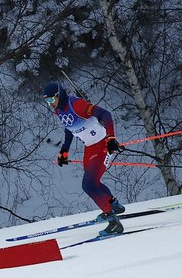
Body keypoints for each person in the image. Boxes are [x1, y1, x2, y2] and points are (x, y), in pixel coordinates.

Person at [43, 81, 126, 236]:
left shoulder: (77, 104)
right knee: (93, 183)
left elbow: (105, 115)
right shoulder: (59, 110)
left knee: (88, 185)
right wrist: (64, 151)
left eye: (50, 100)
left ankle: (113, 222)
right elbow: (69, 129)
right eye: (46, 101)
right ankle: (114, 206)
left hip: (102, 144)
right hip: (90, 147)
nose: (49, 104)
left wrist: (111, 139)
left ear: (58, 95)